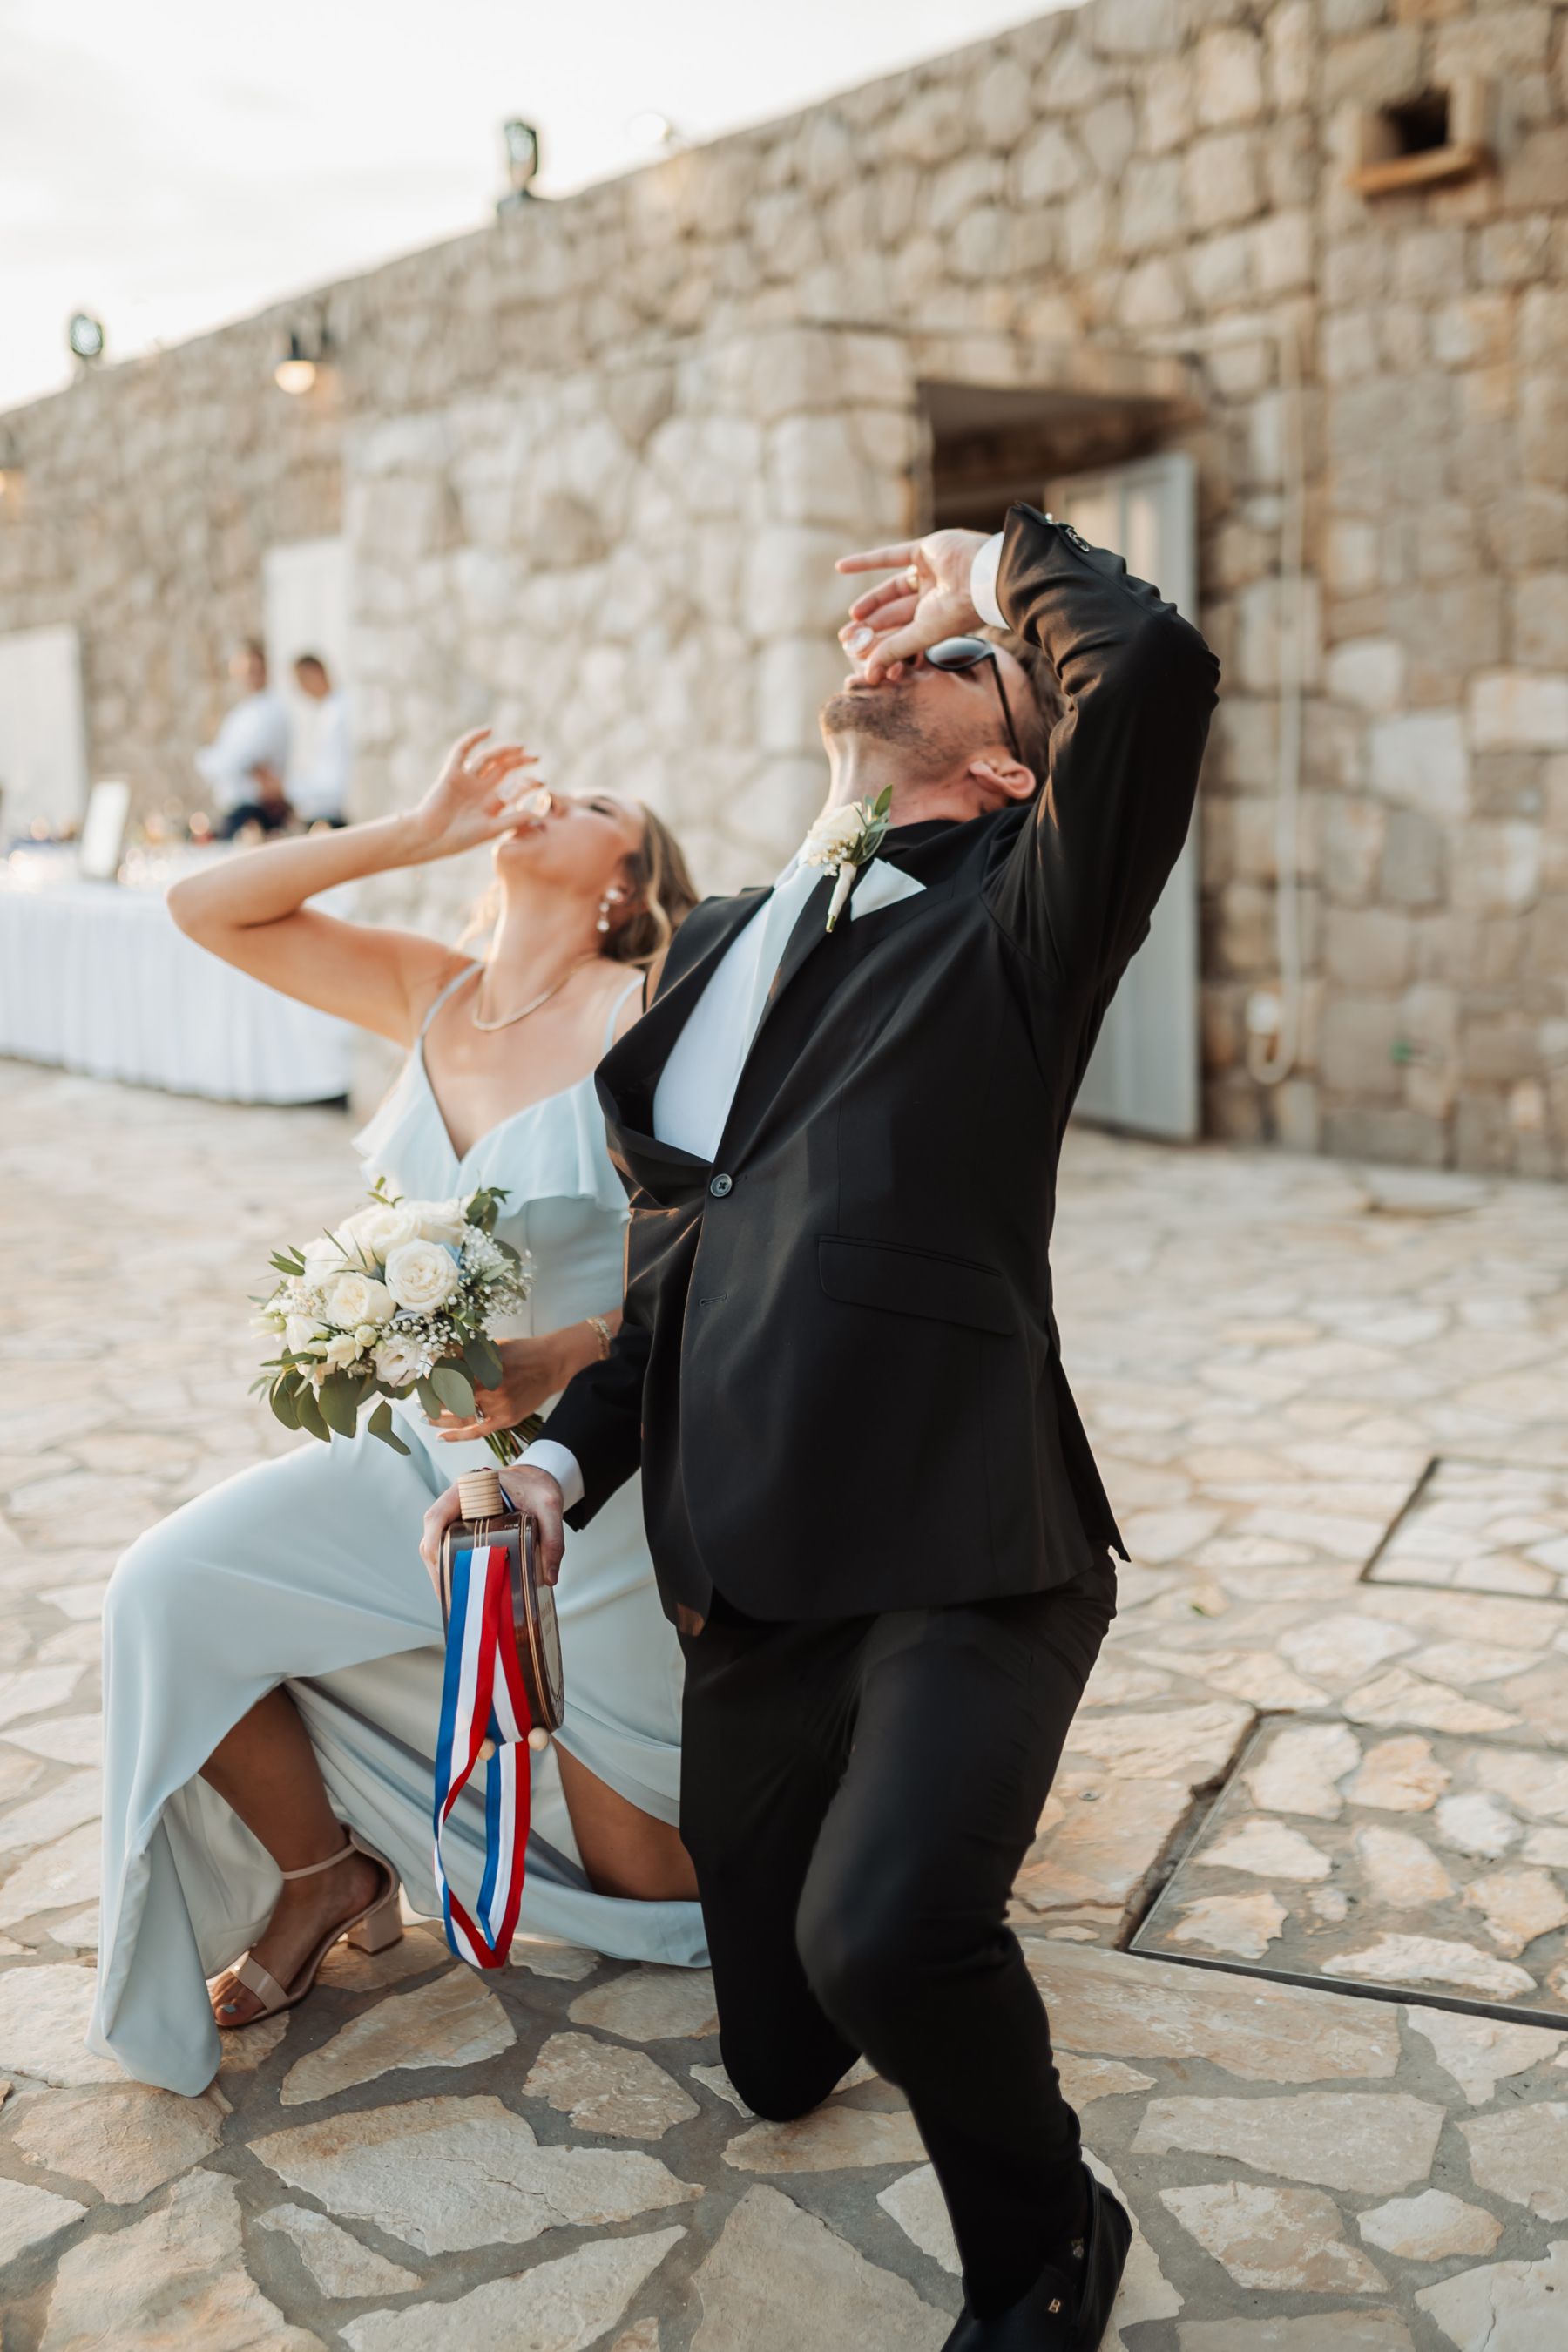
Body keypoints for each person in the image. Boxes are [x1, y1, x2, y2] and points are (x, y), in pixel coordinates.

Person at [423, 507, 1219, 2350]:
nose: (899, 657)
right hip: (757, 1589)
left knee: (886, 1937)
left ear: (1013, 751)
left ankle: (1047, 2246)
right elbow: (680, 1274)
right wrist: (553, 1474)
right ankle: (894, 1914)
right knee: (781, 2058)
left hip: (965, 1549)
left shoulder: (1032, 924)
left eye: (948, 666)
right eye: (904, 640)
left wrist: (981, 564)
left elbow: (1156, 676)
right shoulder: (723, 943)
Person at [91, 731, 704, 2098]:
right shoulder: (429, 996)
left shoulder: (649, 1005)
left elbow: (712, 1261)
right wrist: (421, 827)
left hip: (580, 1493)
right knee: (166, 1586)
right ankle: (325, 1873)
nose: (563, 795)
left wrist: (567, 1355)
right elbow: (203, 906)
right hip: (407, 1471)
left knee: (651, 1887)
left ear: (624, 884)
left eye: (602, 804)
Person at [194, 639, 294, 837]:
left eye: (253, 670)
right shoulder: (240, 713)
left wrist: (213, 760)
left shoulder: (272, 710)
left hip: (254, 811)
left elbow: (239, 760)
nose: (248, 677)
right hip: (234, 807)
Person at [289, 652, 352, 825]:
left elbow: (334, 783)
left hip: (332, 815)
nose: (301, 688)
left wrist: (288, 789)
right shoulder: (325, 713)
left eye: (302, 679)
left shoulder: (338, 714)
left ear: (317, 672)